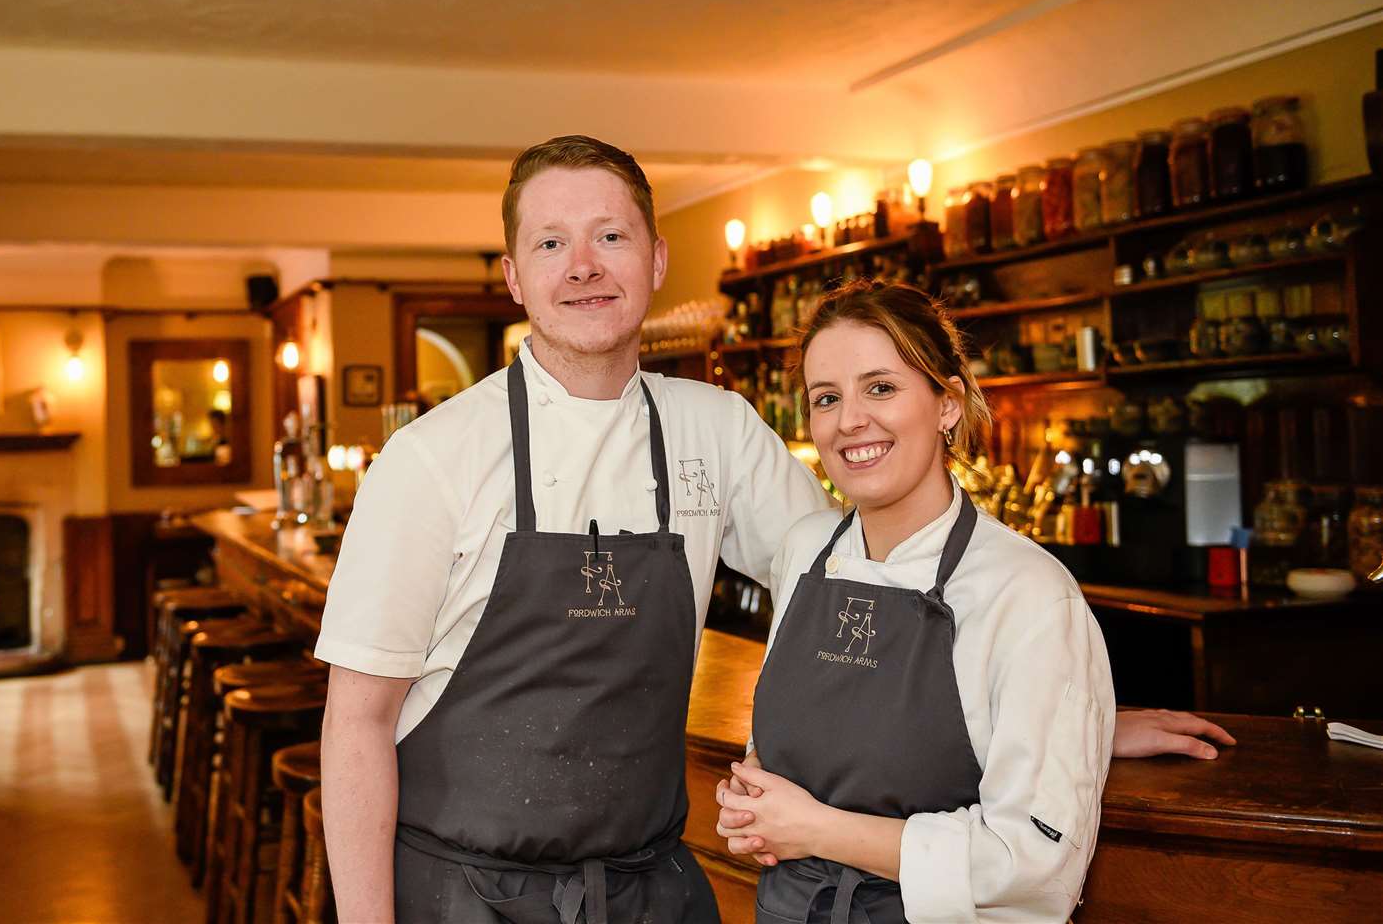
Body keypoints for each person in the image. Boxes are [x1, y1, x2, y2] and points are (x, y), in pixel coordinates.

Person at [317, 136, 1233, 924]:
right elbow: (356, 723)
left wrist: (1063, 713)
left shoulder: (715, 428)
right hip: (465, 895)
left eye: (610, 236)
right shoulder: (433, 458)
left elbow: (869, 579)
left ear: (655, 259)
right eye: (551, 243)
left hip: (651, 890)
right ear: (516, 276)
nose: (584, 265)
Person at [713, 280, 1203, 923]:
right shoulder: (805, 552)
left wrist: (815, 830)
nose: (849, 420)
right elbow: (799, 745)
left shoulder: (1027, 592)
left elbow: (1035, 858)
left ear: (948, 403)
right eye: (825, 398)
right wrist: (754, 801)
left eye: (881, 387)